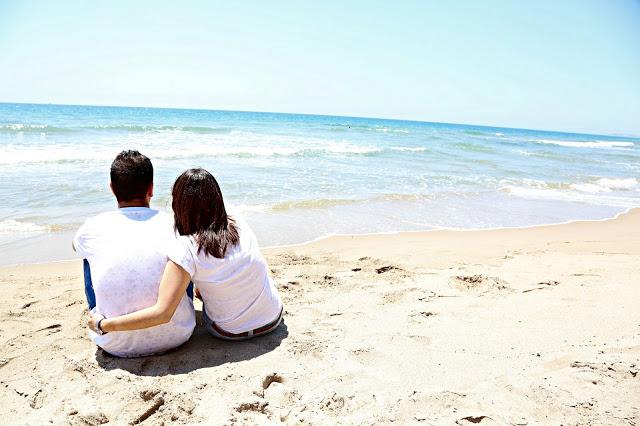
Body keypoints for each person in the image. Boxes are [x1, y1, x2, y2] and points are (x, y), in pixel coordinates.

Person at [88, 168, 283, 341]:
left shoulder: (187, 248)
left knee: (184, 274)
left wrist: (103, 325)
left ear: (178, 204)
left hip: (229, 332)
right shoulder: (238, 222)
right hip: (273, 318)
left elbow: (162, 314)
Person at [74, 150, 195, 357]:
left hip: (113, 341)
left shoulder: (93, 226)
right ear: (151, 188)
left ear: (112, 189)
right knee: (182, 252)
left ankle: (99, 315)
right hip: (178, 333)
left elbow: (76, 247)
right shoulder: (175, 224)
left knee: (87, 256)